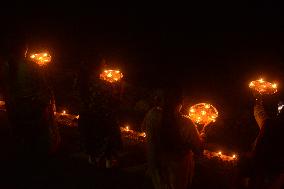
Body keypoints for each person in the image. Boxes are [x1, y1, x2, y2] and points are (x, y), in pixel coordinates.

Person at [1, 34, 60, 162]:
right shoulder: (31, 66)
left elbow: (5, 88)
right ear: (24, 49)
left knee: (20, 133)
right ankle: (38, 155)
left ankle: (22, 155)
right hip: (30, 109)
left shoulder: (4, 66)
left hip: (13, 107)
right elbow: (43, 87)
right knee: (34, 132)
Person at [143, 86, 205, 189]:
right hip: (178, 169)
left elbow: (144, 129)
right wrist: (201, 137)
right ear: (180, 102)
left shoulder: (151, 115)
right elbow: (198, 149)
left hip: (156, 163)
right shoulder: (186, 123)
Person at [77, 59, 122, 168]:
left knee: (91, 138)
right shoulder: (102, 83)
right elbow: (114, 101)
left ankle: (92, 159)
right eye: (103, 63)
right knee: (107, 137)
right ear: (97, 66)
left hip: (87, 115)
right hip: (103, 116)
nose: (106, 65)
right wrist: (118, 87)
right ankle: (108, 162)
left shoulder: (83, 80)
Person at [248, 94, 284, 189]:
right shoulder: (269, 123)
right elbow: (259, 113)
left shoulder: (268, 124)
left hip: (259, 165)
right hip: (272, 169)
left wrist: (258, 99)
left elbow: (259, 113)